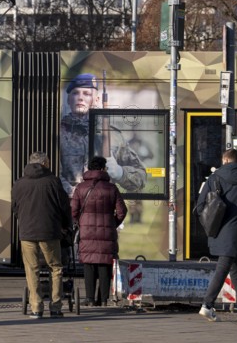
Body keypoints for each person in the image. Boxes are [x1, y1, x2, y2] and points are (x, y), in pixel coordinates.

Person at [59, 73, 147, 197]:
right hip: (67, 209)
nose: (80, 98)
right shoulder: (58, 133)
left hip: (103, 208)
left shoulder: (114, 136)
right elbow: (50, 174)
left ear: (97, 100)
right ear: (68, 99)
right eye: (75, 93)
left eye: (87, 94)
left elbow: (141, 176)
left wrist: (120, 173)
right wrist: (72, 192)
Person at [12, 152, 72, 319]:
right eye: (49, 163)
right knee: (55, 268)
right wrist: (67, 226)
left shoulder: (19, 183)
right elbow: (64, 207)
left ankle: (36, 308)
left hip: (27, 233)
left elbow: (15, 208)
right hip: (50, 232)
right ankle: (56, 307)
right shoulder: (53, 181)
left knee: (32, 269)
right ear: (44, 163)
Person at [71, 156, 127, 307]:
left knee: (89, 264)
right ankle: (103, 300)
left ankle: (89, 298)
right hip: (106, 233)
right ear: (103, 169)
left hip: (87, 232)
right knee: (105, 264)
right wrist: (111, 224)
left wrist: (81, 223)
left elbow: (73, 210)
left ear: (89, 168)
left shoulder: (80, 188)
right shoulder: (111, 188)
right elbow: (122, 211)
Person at [194, 148, 237, 322]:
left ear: (226, 161)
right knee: (232, 268)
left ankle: (207, 304)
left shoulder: (214, 178)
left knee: (227, 268)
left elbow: (199, 207)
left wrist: (211, 224)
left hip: (222, 231)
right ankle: (207, 304)